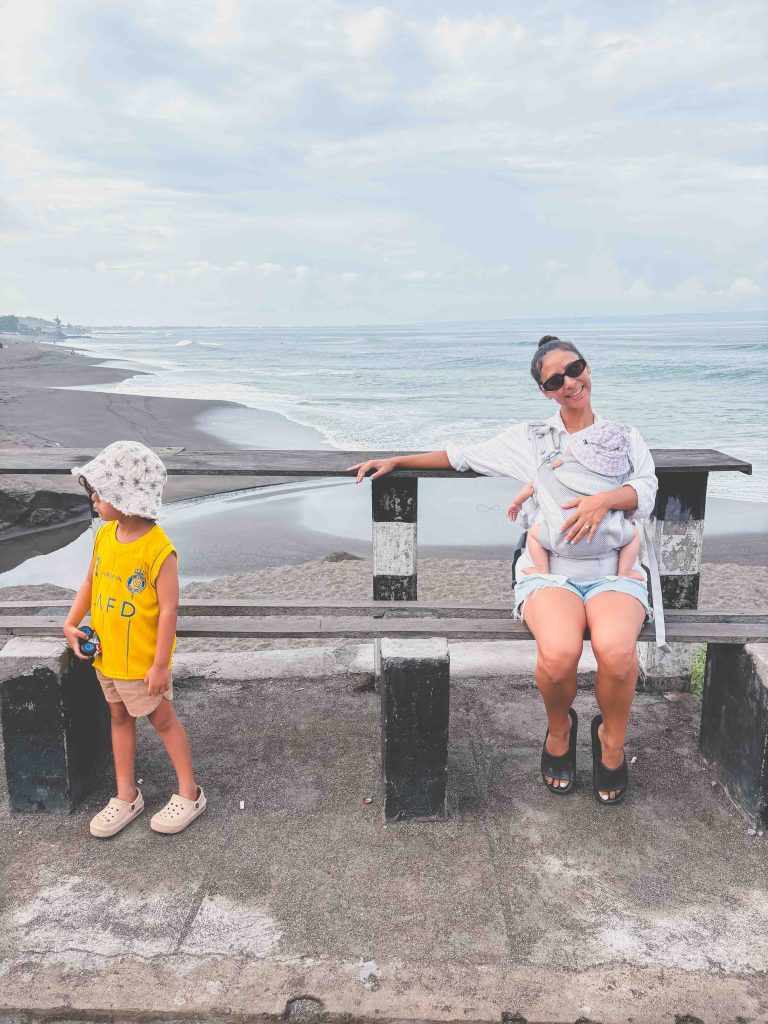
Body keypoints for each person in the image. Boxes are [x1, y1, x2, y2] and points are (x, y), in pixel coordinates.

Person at [348, 335, 657, 805]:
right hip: (550, 569)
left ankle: (611, 742)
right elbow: (461, 456)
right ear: (545, 391)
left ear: (587, 368)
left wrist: (604, 500)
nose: (571, 383)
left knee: (616, 653)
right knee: (558, 653)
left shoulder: (625, 435)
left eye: (575, 369)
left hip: (614, 568)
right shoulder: (532, 439)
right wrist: (398, 461)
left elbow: (646, 491)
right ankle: (560, 730)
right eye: (556, 380)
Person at [63, 440, 206, 837]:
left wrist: (160, 665)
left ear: (126, 498)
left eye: (100, 492)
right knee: (119, 717)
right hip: (107, 657)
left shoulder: (159, 551)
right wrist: (70, 622)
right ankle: (127, 794)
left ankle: (189, 792)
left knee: (162, 720)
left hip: (143, 665)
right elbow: (90, 582)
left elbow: (168, 612)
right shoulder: (105, 536)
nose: (93, 498)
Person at [506, 418, 644, 582]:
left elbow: (530, 488)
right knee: (634, 534)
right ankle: (625, 572)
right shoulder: (611, 478)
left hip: (561, 539)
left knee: (533, 534)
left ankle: (541, 569)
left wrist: (516, 503)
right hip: (607, 539)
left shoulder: (553, 469)